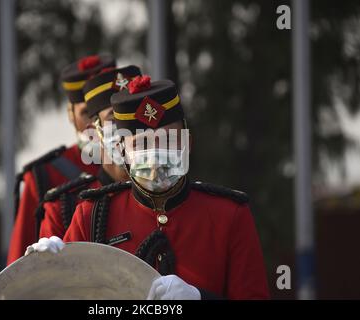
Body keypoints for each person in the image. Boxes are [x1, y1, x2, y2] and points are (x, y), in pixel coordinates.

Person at [26, 76, 269, 300]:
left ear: (188, 143)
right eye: (142, 143)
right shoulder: (91, 216)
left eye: (167, 140)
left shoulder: (229, 215)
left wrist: (200, 298)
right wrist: (44, 276)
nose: (155, 154)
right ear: (122, 152)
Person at [7, 55, 115, 265]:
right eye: (86, 113)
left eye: (104, 113)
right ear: (70, 114)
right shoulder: (44, 174)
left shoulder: (145, 169)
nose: (95, 124)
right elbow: (16, 266)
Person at [37, 65, 141, 239]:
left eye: (133, 115)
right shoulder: (66, 209)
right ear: (94, 130)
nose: (126, 127)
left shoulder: (168, 199)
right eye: (114, 119)